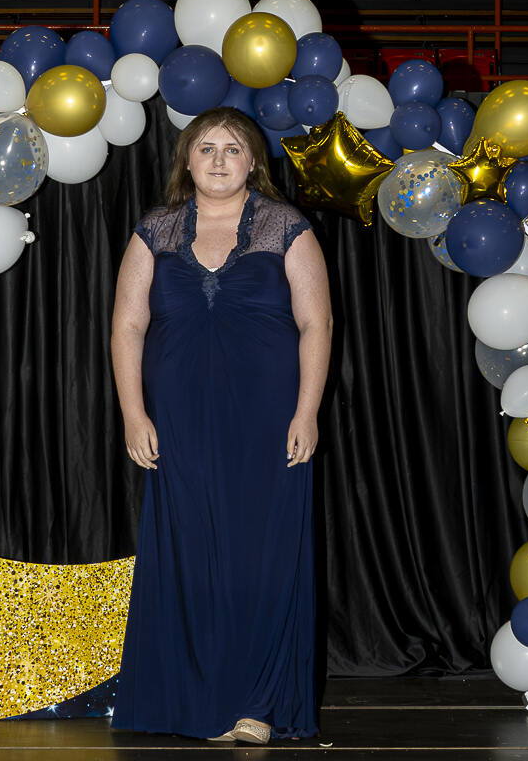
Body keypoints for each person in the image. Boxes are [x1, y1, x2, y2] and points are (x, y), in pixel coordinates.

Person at [109, 106, 332, 744]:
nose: (218, 160)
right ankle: (194, 700)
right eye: (205, 147)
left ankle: (257, 704)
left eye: (232, 149)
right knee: (188, 554)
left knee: (262, 556)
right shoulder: (154, 231)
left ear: (253, 161)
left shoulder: (286, 227)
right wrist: (133, 413)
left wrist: (307, 411)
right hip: (177, 421)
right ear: (186, 159)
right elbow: (127, 325)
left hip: (268, 419)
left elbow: (316, 323)